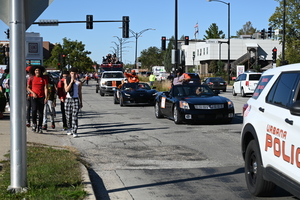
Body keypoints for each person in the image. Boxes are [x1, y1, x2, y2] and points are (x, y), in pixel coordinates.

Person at [27, 66, 48, 133]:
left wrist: (46, 97)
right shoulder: (31, 78)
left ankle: (40, 126)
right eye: (36, 70)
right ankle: (34, 124)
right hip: (33, 97)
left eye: (38, 70)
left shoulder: (44, 78)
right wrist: (33, 93)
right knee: (34, 110)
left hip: (41, 97)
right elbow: (28, 87)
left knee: (41, 112)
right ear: (34, 71)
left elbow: (46, 88)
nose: (37, 72)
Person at [64, 67, 83, 138]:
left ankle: (75, 131)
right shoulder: (67, 80)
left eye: (74, 73)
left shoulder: (79, 82)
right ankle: (69, 128)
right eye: (72, 73)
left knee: (75, 116)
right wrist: (71, 82)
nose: (73, 75)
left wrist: (81, 102)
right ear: (70, 73)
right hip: (68, 99)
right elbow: (66, 90)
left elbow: (80, 92)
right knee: (68, 116)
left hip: (75, 99)